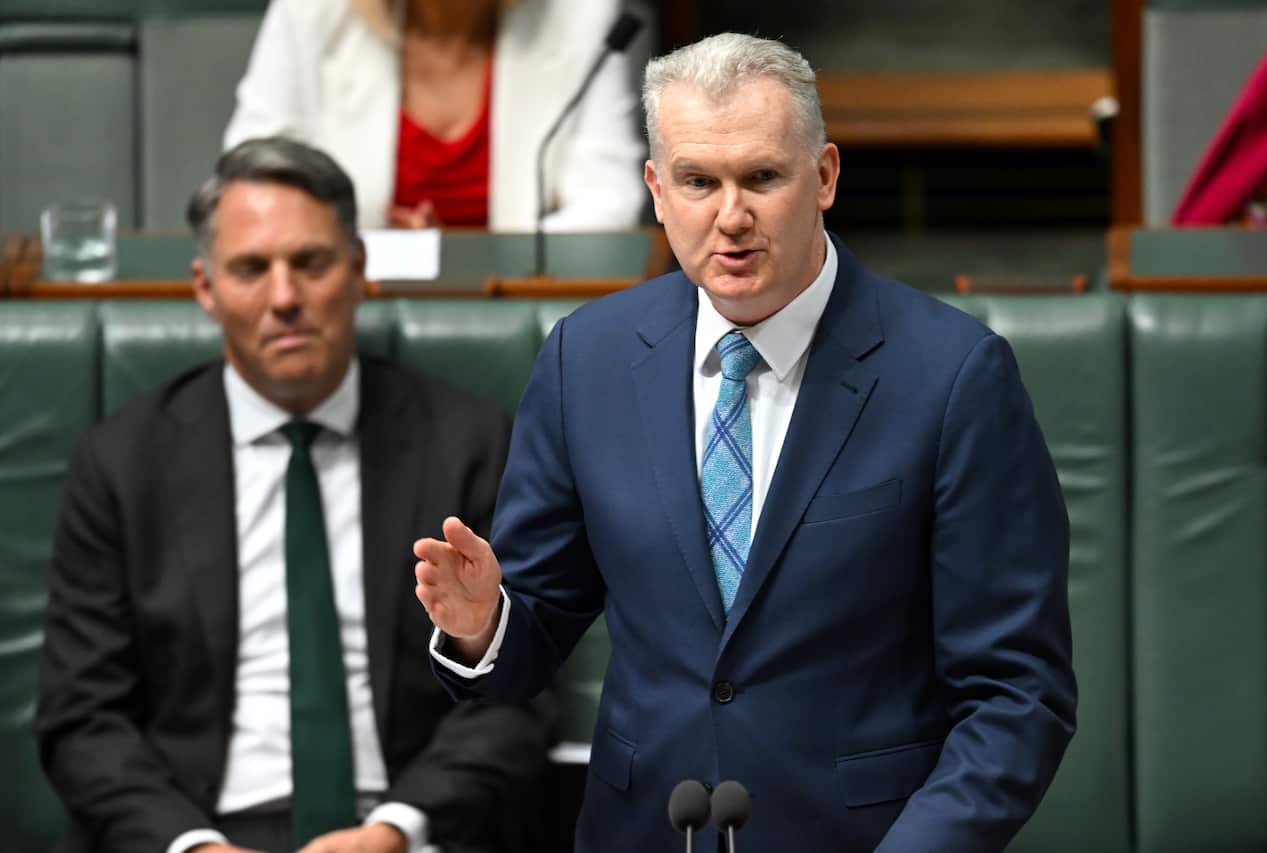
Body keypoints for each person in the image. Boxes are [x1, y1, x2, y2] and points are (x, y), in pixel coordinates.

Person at [414, 33, 1077, 852]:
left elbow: (1017, 692)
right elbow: (534, 636)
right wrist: (487, 625)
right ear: (657, 190)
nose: (731, 217)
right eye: (698, 181)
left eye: (763, 177)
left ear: (825, 176)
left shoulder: (953, 377)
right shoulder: (585, 360)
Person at [36, 137, 553, 853]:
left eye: (309, 263)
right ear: (205, 288)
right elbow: (81, 718)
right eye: (251, 268)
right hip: (195, 828)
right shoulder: (122, 463)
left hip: (403, 826)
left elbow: (514, 687)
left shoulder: (465, 444)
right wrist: (193, 845)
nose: (284, 297)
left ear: (359, 270)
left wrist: (395, 830)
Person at [224, 0, 647, 231]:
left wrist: (467, 261)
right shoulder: (311, 12)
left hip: (519, 313)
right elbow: (256, 173)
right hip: (346, 306)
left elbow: (609, 203)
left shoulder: (581, 15)